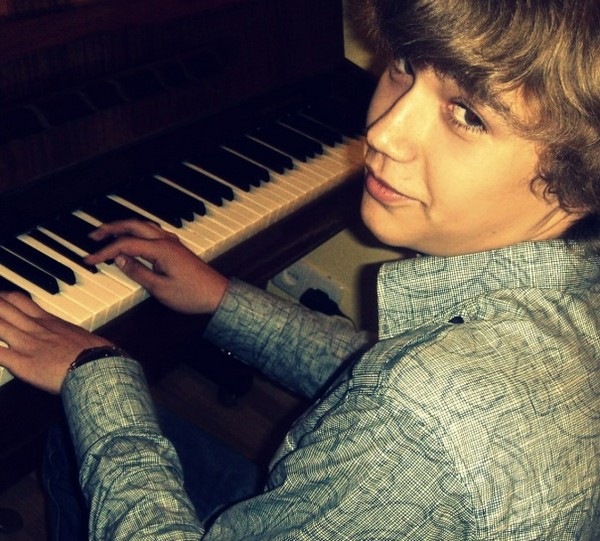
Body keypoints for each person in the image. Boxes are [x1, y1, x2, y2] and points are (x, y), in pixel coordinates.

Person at [0, 0, 599, 538]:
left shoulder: (423, 426)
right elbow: (370, 369)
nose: (382, 132)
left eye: (467, 114)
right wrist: (221, 298)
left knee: (76, 438)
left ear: (579, 181)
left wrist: (99, 376)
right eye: (403, 65)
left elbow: (413, 410)